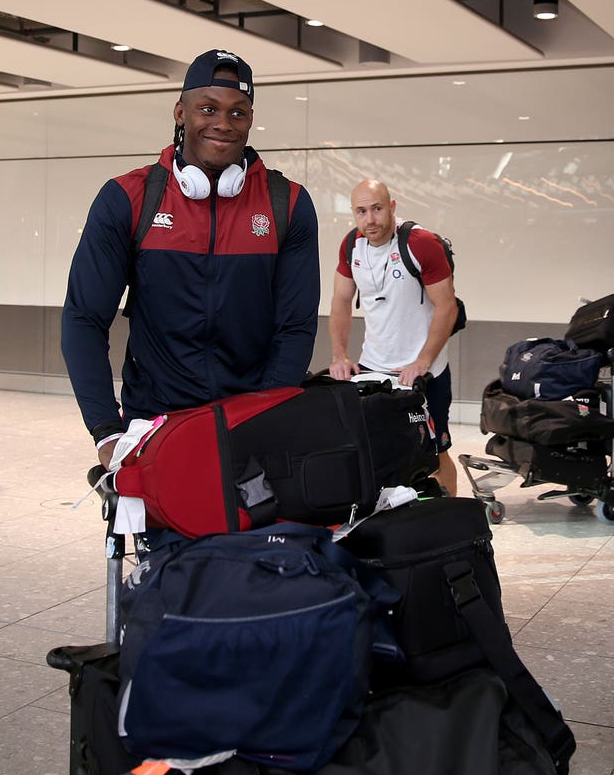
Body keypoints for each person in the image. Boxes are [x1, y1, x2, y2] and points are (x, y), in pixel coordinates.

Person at [62, 48, 320, 472]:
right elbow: (83, 317)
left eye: (239, 112)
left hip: (250, 426)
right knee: (161, 540)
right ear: (181, 112)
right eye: (208, 108)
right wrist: (106, 429)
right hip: (154, 425)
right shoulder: (129, 198)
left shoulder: (286, 204)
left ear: (251, 120)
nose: (223, 123)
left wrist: (267, 417)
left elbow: (295, 326)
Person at [329, 179, 459, 496]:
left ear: (392, 207)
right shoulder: (351, 246)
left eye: (377, 209)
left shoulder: (421, 243)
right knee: (378, 453)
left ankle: (455, 530)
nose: (370, 219)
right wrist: (340, 356)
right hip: (375, 370)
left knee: (435, 455)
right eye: (361, 211)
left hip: (424, 374)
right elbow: (341, 301)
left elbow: (447, 307)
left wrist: (422, 362)